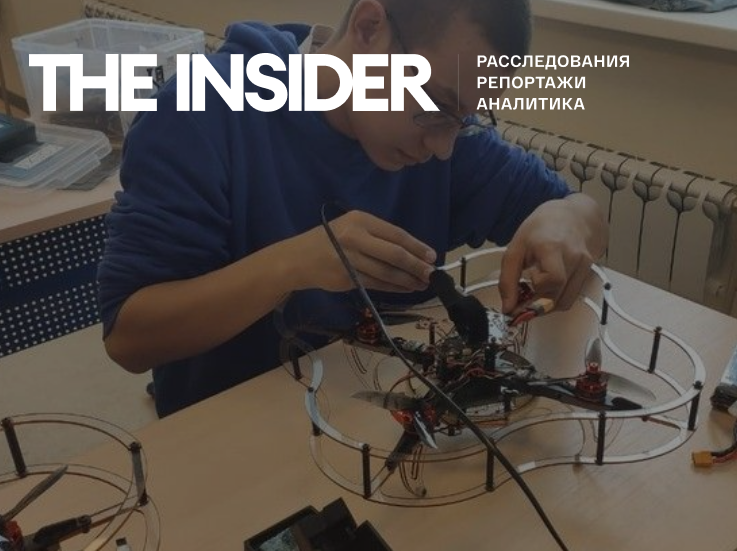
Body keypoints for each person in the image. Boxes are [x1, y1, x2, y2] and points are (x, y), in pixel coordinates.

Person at [98, 0, 609, 417]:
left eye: (466, 118)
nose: (443, 147)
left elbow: (581, 212)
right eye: (435, 106)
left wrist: (566, 218)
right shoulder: (200, 113)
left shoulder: (447, 140)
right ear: (368, 28)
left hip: (373, 421)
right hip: (231, 436)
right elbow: (128, 338)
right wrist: (292, 264)